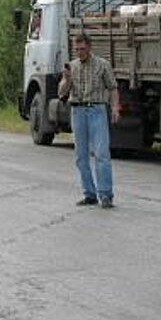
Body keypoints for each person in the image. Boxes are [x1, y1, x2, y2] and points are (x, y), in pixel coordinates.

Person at [58, 33, 121, 209]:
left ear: (89, 47)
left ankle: (106, 194)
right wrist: (67, 79)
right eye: (77, 49)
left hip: (97, 110)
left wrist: (115, 108)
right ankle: (89, 193)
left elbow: (113, 88)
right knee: (81, 156)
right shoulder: (71, 66)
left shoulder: (102, 65)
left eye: (82, 49)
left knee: (101, 154)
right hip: (77, 111)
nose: (80, 52)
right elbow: (62, 93)